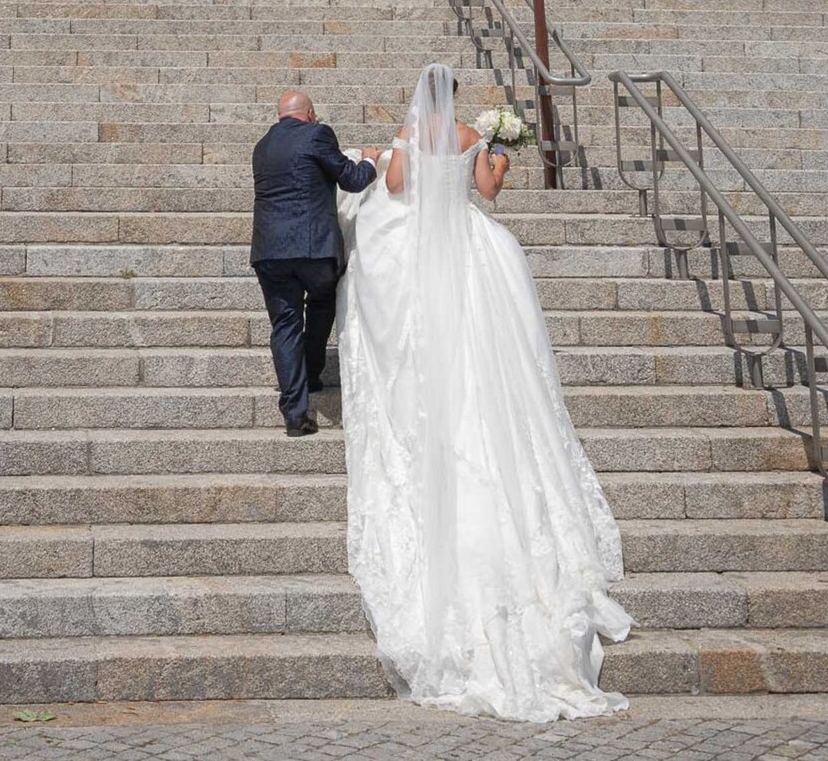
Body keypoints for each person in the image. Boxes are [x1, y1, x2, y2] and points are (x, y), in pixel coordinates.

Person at [336, 63, 632, 722]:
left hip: (422, 252)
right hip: (468, 249)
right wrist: (500, 156)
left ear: (419, 99)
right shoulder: (471, 135)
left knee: (425, 346)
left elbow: (396, 186)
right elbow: (489, 193)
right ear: (456, 100)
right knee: (487, 348)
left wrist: (399, 152)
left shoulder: (409, 138)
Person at [250, 92, 380, 436]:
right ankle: (310, 372)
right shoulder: (317, 134)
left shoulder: (262, 147)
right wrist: (369, 161)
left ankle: (295, 413)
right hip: (314, 247)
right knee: (322, 303)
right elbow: (351, 180)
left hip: (269, 250)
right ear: (309, 113)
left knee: (285, 325)